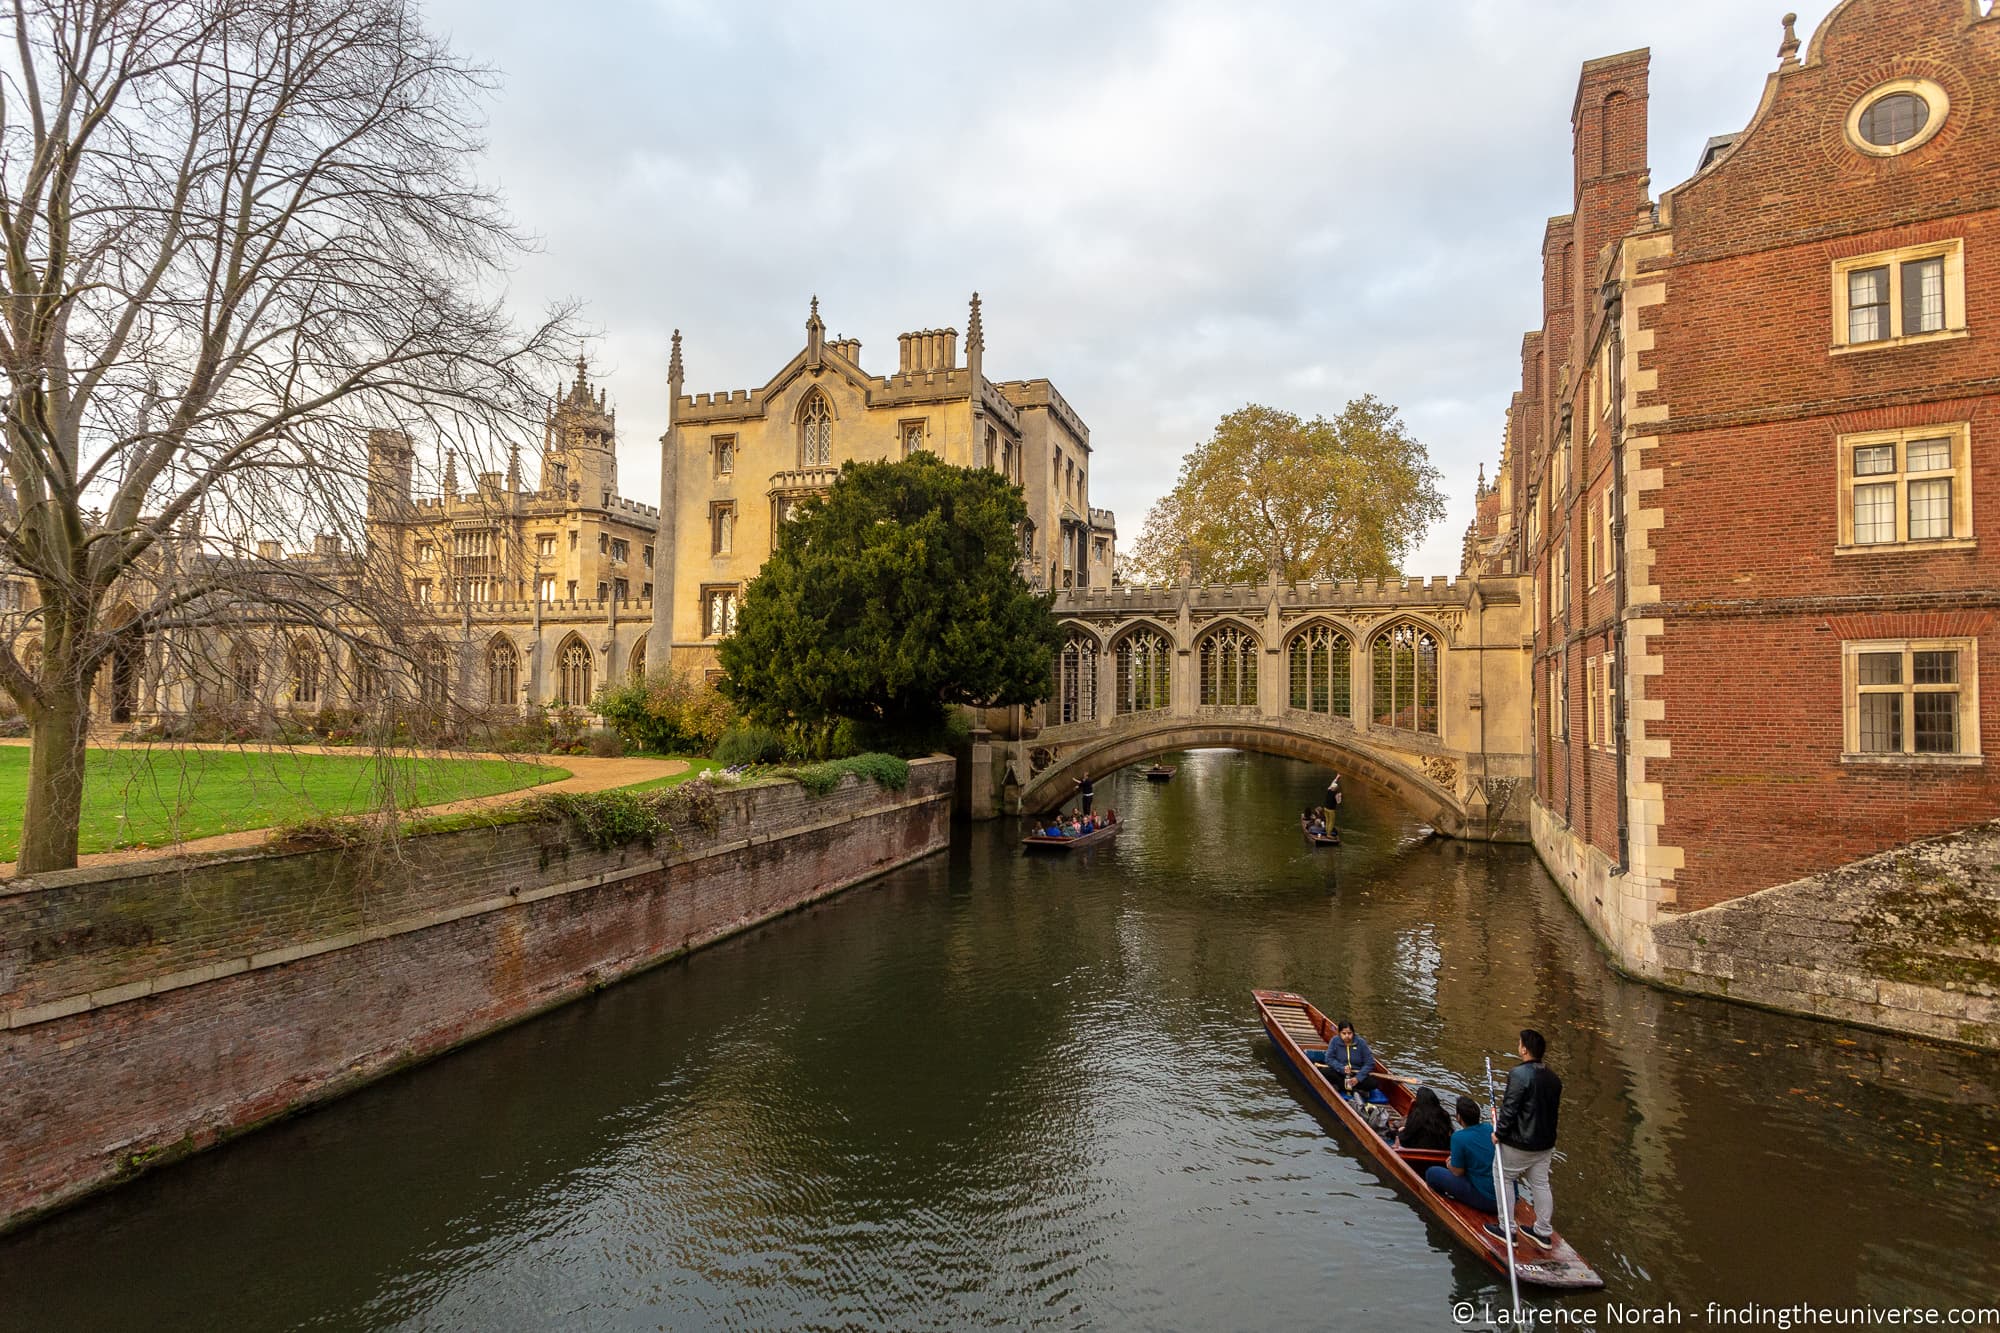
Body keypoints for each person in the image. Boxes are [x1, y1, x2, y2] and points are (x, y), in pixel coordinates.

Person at [1482, 1028, 1562, 1251]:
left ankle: (1507, 1229)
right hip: (1545, 1144)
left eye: (1519, 1043)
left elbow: (1510, 1108)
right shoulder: (1554, 1079)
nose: (1518, 1046)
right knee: (1541, 1184)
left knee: (1503, 1176)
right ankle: (1543, 1232)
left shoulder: (1519, 1074)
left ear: (1524, 1049)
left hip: (1520, 1142)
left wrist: (1499, 1133)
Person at [1424, 1096, 1499, 1215]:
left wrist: (1449, 1165)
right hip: (1507, 1196)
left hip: (1488, 1200)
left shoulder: (1458, 1137)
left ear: (1459, 1117)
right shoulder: (1490, 1128)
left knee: (1431, 1173)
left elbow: (1458, 1172)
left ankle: (1449, 1204)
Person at [1306, 1019, 1378, 1098]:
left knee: (1373, 1083)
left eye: (1349, 1033)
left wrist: (1357, 1078)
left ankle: (1341, 1087)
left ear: (1353, 1033)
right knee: (1325, 1072)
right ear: (1339, 1033)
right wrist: (1341, 1068)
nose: (1347, 1036)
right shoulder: (1335, 1041)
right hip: (1340, 1073)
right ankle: (1355, 1091)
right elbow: (1329, 1059)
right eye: (1344, 1033)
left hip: (1356, 1074)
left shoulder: (1361, 1043)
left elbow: (1369, 1063)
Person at [1397, 1086, 1453, 1151]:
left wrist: (1399, 1132)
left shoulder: (1417, 1115)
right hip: (1441, 1149)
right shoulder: (1444, 1114)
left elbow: (1406, 1137)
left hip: (1419, 1150)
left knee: (1397, 1133)